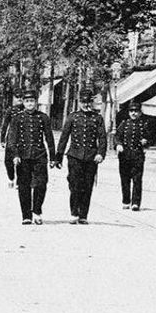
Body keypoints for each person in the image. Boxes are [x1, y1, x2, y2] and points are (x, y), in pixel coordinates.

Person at [5, 89, 57, 225]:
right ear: (23, 102)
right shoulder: (17, 118)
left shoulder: (43, 117)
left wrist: (53, 158)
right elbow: (12, 139)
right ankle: (26, 215)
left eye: (32, 101)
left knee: (41, 184)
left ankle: (37, 211)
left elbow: (49, 138)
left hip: (39, 155)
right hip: (23, 157)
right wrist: (15, 155)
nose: (29, 104)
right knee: (24, 186)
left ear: (36, 102)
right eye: (27, 101)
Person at [56, 89, 107, 224]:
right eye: (83, 102)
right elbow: (64, 137)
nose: (86, 105)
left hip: (91, 157)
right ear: (79, 102)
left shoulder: (97, 118)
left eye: (88, 102)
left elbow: (102, 137)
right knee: (74, 185)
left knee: (87, 186)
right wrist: (58, 156)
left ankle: (83, 215)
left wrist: (100, 153)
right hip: (74, 156)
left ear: (92, 102)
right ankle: (74, 213)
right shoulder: (72, 117)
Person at [114, 101, 149, 211]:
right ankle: (126, 201)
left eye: (136, 111)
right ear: (129, 112)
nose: (134, 113)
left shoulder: (143, 125)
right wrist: (118, 145)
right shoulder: (124, 124)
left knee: (137, 179)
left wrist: (146, 141)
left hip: (138, 156)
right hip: (125, 156)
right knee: (125, 179)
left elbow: (151, 137)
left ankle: (136, 203)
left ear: (140, 113)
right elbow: (117, 137)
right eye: (131, 111)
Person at [0, 97, 25, 188]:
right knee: (8, 161)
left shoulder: (27, 110)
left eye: (21, 97)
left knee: (21, 162)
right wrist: (2, 139)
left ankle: (19, 181)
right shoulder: (10, 110)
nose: (19, 99)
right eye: (17, 97)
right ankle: (11, 178)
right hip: (11, 139)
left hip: (23, 139)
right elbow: (5, 125)